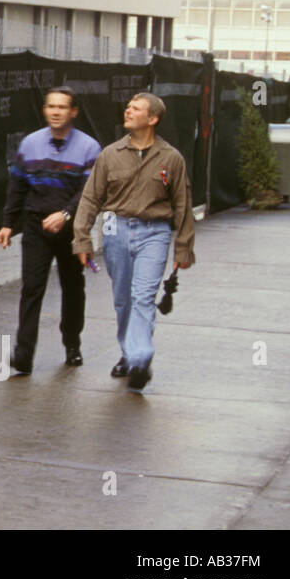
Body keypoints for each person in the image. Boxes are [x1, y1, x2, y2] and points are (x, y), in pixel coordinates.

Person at [72, 92, 196, 392]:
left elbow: (182, 204)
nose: (127, 110)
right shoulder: (110, 154)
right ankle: (129, 354)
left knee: (143, 295)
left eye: (136, 108)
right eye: (127, 105)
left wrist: (183, 247)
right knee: (123, 299)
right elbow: (90, 199)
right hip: (115, 231)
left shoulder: (171, 158)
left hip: (155, 233)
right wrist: (82, 240)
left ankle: (140, 358)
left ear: (152, 119)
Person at [0, 87, 103, 375]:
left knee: (72, 287)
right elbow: (17, 185)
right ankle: (23, 355)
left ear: (74, 112)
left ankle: (72, 344)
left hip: (72, 230)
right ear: (45, 110)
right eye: (51, 106)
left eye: (62, 107)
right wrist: (8, 222)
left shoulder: (89, 148)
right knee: (31, 288)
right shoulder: (30, 144)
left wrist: (65, 215)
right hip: (35, 227)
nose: (55, 112)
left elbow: (89, 191)